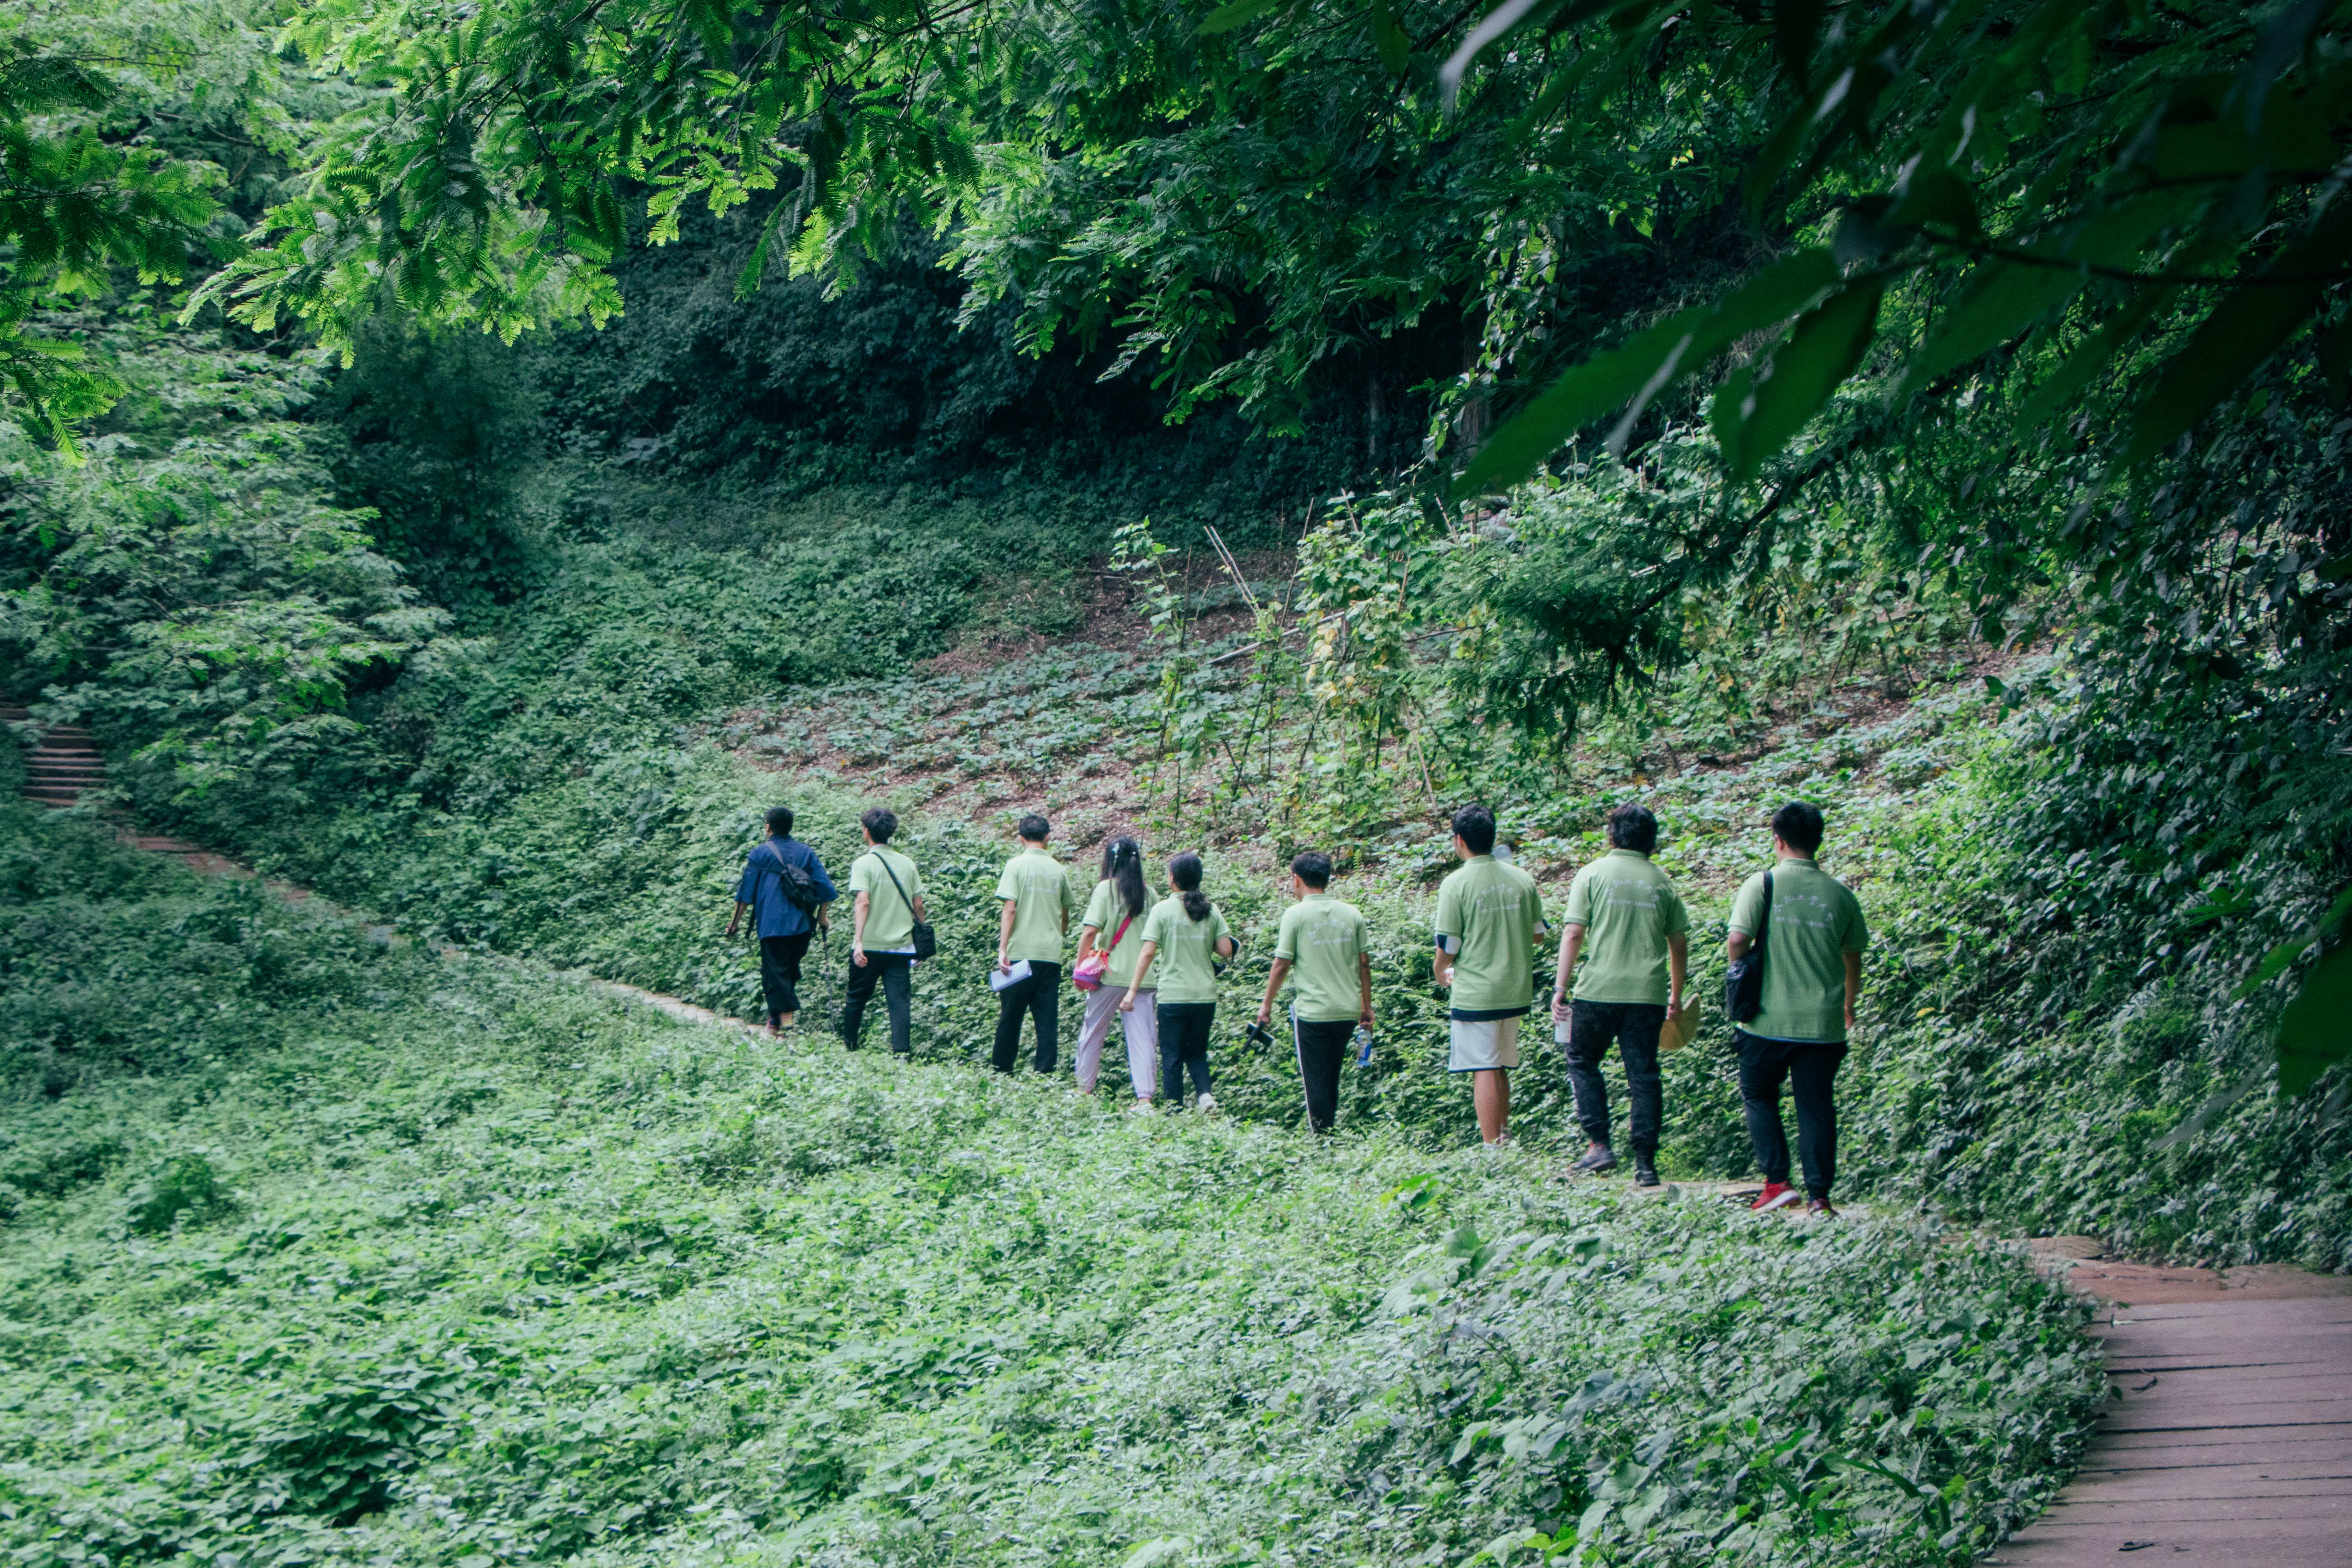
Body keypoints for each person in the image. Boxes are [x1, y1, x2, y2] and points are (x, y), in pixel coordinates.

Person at [1726, 800, 1869, 1218]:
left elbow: (1738, 939)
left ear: (1779, 839)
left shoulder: (1763, 884)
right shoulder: (1841, 894)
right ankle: (1820, 1197)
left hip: (1765, 1021)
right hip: (1823, 1026)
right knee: (1816, 1105)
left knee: (1758, 1094)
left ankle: (1777, 1183)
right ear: (1818, 840)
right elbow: (1853, 956)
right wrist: (1848, 1004)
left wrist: (1738, 972)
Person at [1551, 802, 1690, 1187]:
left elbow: (1574, 933)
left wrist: (1560, 988)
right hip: (1648, 994)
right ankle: (1645, 1165)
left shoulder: (1592, 874)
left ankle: (1599, 1145)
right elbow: (1679, 943)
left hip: (1598, 990)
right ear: (1652, 841)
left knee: (1582, 1060)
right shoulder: (1662, 882)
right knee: (1644, 1075)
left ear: (1612, 835)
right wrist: (1675, 996)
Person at [1432, 804, 1548, 1145]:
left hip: (1477, 992)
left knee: (1483, 1066)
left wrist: (1440, 971)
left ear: (1459, 841)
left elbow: (1449, 944)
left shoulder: (1456, 884)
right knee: (1499, 1064)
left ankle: (1490, 1146)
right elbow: (1539, 934)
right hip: (1515, 989)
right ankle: (1504, 1134)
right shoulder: (1521, 879)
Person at [1256, 849, 1374, 1134]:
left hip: (1312, 1013)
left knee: (1315, 1080)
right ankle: (1329, 1132)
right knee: (1330, 1075)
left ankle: (1321, 1139)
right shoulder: (1352, 913)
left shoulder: (1295, 915)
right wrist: (1366, 1007)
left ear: (1296, 880)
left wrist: (1266, 1006)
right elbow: (1364, 963)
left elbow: (1281, 966)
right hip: (1347, 1011)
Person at [1120, 851, 1234, 1112]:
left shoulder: (1162, 910)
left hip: (1174, 995)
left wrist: (1132, 992)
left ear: (1173, 878)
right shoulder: (1211, 910)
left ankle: (1174, 1109)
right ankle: (1205, 1096)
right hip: (1205, 995)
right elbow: (1226, 950)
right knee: (1197, 1051)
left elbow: (1148, 952)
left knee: (1172, 1054)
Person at [726, 806, 837, 1032]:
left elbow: (746, 894)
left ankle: (787, 1028)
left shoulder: (760, 853)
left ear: (768, 827)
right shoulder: (806, 852)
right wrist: (822, 917)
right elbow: (825, 887)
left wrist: (734, 924)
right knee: (787, 972)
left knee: (776, 974)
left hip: (772, 925)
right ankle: (774, 1024)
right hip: (802, 926)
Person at [1074, 837, 1160, 1100]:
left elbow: (1090, 932)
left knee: (1093, 1032)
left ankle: (1083, 1090)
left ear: (1110, 860)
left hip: (1108, 975)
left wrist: (1079, 966)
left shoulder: (1105, 890)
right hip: (1142, 980)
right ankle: (1145, 1099)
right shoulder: (1151, 894)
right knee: (1143, 1040)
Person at [993, 813, 1073, 1073]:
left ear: (1021, 838)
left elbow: (1010, 909)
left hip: (1020, 954)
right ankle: (1045, 1073)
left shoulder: (1015, 866)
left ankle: (1002, 1071)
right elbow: (1065, 914)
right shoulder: (1059, 870)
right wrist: (1057, 937)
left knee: (1010, 1017)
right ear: (1048, 838)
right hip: (1050, 955)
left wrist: (1003, 948)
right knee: (1046, 1020)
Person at [844, 807, 925, 1056]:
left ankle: (849, 1048)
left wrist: (858, 941)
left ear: (866, 832)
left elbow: (863, 901)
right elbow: (918, 905)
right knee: (899, 1002)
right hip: (900, 947)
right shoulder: (907, 864)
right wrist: (918, 940)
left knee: (856, 998)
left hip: (869, 946)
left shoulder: (864, 864)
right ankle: (902, 1054)